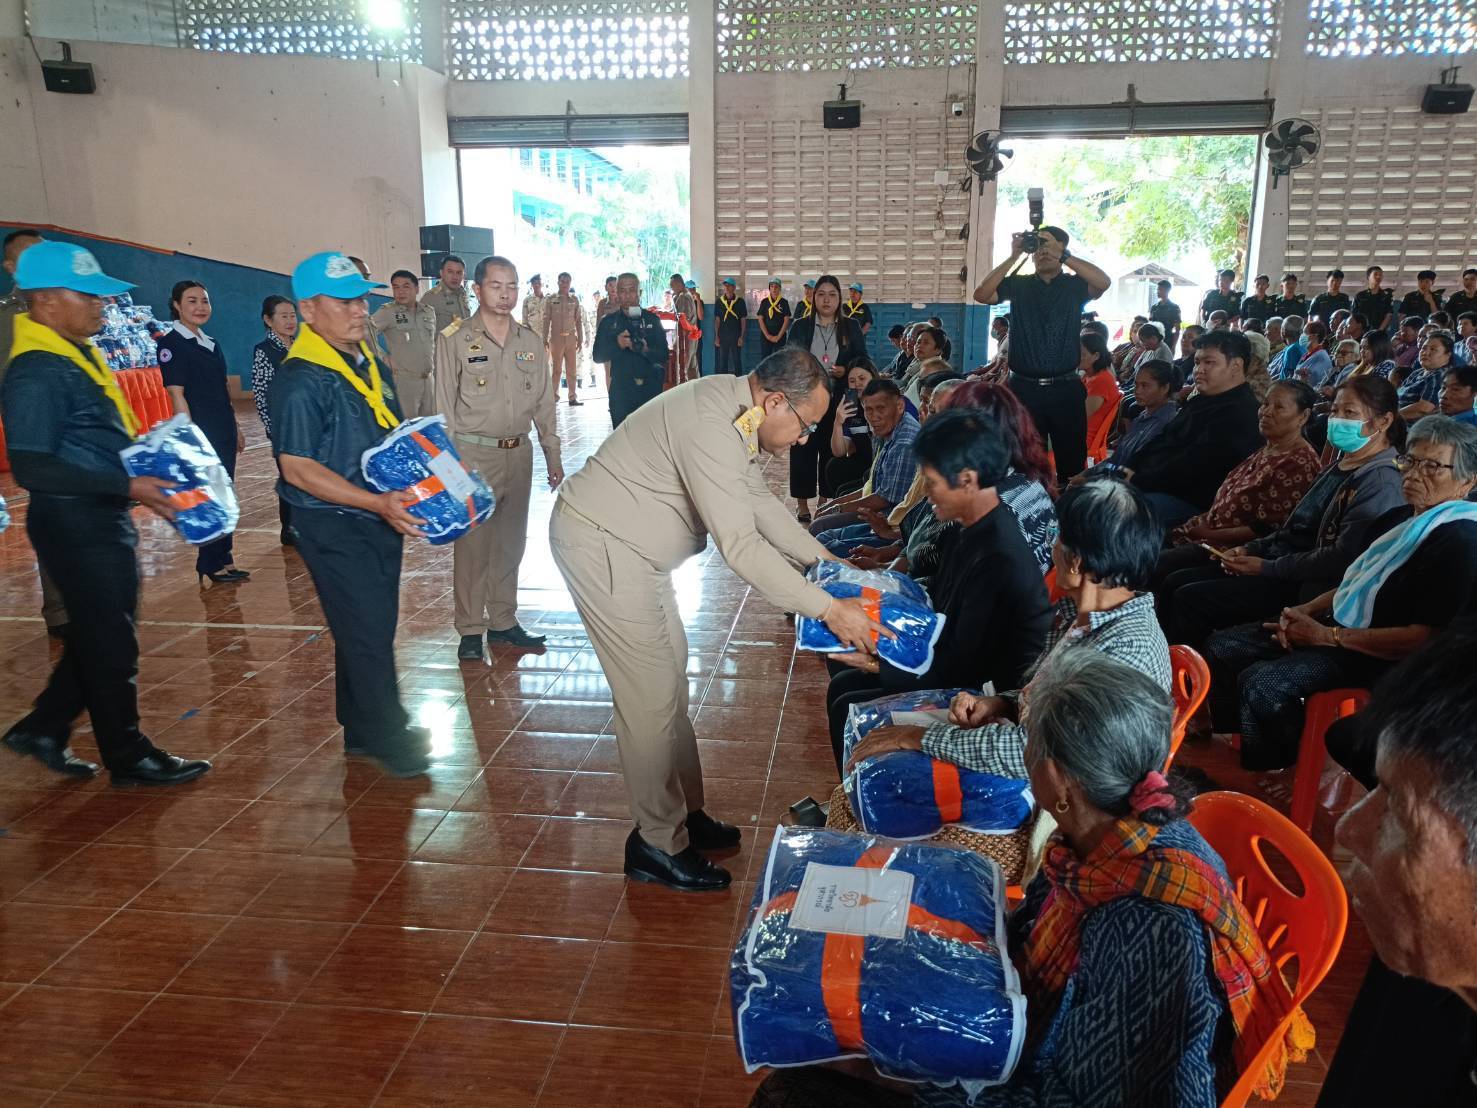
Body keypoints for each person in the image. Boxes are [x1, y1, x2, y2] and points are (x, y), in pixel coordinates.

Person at [551, 348, 887, 890]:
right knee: (649, 698)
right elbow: (741, 546)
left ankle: (685, 813)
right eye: (805, 425)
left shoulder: (736, 410)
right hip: (605, 546)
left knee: (670, 684)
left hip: (636, 553)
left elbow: (758, 502)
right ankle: (657, 843)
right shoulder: (711, 426)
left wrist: (826, 563)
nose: (804, 439)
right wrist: (828, 608)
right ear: (774, 402)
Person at [0, 242, 211, 785]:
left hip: (98, 515)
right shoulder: (36, 370)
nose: (102, 305)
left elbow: (90, 437)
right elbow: (31, 465)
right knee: (112, 641)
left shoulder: (72, 352)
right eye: (88, 295)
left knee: (100, 632)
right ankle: (128, 753)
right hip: (74, 523)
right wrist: (126, 483)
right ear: (47, 300)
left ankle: (44, 728)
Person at [848, 477, 1170, 783]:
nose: (1051, 545)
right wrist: (1002, 703)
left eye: (1058, 536)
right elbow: (1053, 701)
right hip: (1037, 760)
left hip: (1069, 796)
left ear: (1077, 560)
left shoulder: (1121, 652)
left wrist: (918, 737)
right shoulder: (1084, 617)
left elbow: (1035, 751)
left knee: (885, 768)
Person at [1205, 415, 1477, 770]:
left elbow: (1423, 639)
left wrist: (1326, 636)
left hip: (1383, 655)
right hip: (1340, 626)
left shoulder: (1460, 541)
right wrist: (1305, 611)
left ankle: (1285, 769)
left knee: (1263, 683)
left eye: (1432, 466)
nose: (1413, 474)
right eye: (1410, 461)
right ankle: (1245, 739)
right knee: (1223, 646)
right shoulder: (1399, 519)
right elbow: (1356, 582)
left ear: (1468, 480)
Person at [271, 251, 431, 778]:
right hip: (334, 521)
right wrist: (376, 503)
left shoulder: (367, 362)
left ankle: (360, 726)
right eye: (343, 302)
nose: (360, 310)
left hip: (377, 513)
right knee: (365, 627)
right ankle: (390, 734)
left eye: (361, 299)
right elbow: (297, 468)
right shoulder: (302, 379)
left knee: (366, 621)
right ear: (308, 310)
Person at [824, 409, 1052, 767]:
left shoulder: (999, 555)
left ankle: (864, 787)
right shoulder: (968, 528)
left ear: (967, 480)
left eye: (931, 482)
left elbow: (963, 665)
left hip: (986, 693)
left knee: (846, 700)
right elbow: (939, 609)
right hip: (957, 659)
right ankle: (853, 788)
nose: (926, 494)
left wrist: (878, 663)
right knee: (844, 679)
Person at [1156, 374, 1406, 649]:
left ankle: (1182, 667)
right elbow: (1293, 528)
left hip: (1306, 585)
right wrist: (1250, 549)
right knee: (1175, 581)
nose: (1337, 419)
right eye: (1335, 410)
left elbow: (1340, 559)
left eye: (1350, 413)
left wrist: (1266, 567)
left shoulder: (1379, 482)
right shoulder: (1341, 465)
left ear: (1383, 421)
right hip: (1279, 562)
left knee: (1189, 596)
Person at [436, 255, 563, 661]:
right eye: (496, 286)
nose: (505, 294)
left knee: (510, 544)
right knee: (473, 546)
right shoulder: (455, 339)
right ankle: (471, 628)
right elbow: (443, 407)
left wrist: (552, 452)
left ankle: (503, 621)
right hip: (473, 454)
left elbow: (544, 402)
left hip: (518, 453)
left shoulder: (529, 341)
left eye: (512, 286)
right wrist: (448, 469)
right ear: (477, 289)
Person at [973, 225, 1112, 483]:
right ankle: (1031, 505)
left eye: (1048, 244)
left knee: (1072, 464)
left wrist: (1065, 256)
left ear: (1062, 248)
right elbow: (982, 294)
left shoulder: (1074, 286)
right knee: (1025, 463)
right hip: (1024, 388)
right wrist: (1014, 256)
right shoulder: (1020, 285)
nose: (1043, 251)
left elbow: (1103, 282)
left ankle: (1069, 505)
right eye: (1038, 245)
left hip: (1065, 388)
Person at [1123, 329, 1263, 529]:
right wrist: (1130, 467)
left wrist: (1137, 480)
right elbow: (1163, 438)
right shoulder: (1201, 400)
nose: (1199, 370)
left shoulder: (1240, 412)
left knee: (1111, 512)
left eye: (1209, 362)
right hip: (1156, 484)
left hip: (1194, 502)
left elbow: (1192, 467)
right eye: (1197, 362)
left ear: (1236, 366)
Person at [157, 279, 247, 588]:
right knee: (208, 498)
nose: (200, 307)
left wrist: (235, 427)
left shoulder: (211, 343)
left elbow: (222, 390)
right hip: (201, 432)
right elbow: (177, 394)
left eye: (204, 301)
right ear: (177, 305)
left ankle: (225, 557)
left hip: (222, 428)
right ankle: (209, 562)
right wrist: (190, 438)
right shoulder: (171, 344)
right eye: (192, 301)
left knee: (225, 494)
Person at [0, 228, 67, 637]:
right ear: (10, 267)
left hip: (77, 436)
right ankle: (60, 611)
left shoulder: (69, 305)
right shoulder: (6, 319)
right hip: (38, 439)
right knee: (54, 518)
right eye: (28, 258)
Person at [1170, 380, 1322, 552]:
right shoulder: (1270, 448)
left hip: (1232, 551)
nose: (1266, 412)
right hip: (1207, 531)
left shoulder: (1299, 462)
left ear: (1303, 416)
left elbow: (1264, 530)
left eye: (1279, 407)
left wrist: (1207, 534)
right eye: (1265, 404)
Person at [787, 274, 867, 522]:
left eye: (832, 295)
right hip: (806, 401)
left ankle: (825, 501)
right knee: (803, 450)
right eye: (821, 294)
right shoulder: (801, 326)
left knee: (831, 449)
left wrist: (845, 369)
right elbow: (789, 358)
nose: (826, 300)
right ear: (813, 298)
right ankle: (802, 504)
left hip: (838, 400)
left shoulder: (851, 326)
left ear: (839, 299)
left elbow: (862, 359)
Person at [807, 378, 919, 534]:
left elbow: (884, 499)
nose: (874, 416)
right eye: (868, 410)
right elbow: (875, 487)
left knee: (820, 527)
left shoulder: (904, 443)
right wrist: (833, 505)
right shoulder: (884, 430)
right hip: (879, 512)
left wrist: (837, 508)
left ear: (899, 406)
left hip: (892, 524)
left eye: (881, 408)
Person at [251, 294, 299, 546]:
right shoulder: (265, 351)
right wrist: (273, 429)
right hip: (283, 427)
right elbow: (261, 394)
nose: (290, 321)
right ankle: (289, 529)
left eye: (293, 315)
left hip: (306, 424)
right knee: (290, 477)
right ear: (268, 320)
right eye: (283, 316)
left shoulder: (302, 347)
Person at [594, 271, 667, 428]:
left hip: (650, 388)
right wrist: (618, 344)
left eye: (632, 290)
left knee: (650, 436)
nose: (627, 295)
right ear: (617, 293)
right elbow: (598, 356)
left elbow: (664, 355)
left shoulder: (652, 320)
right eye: (622, 290)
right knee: (622, 436)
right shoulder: (609, 323)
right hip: (621, 390)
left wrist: (646, 350)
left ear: (640, 292)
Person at [824, 358, 879, 495]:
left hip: (883, 462)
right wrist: (838, 422)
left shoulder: (888, 402)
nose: (857, 384)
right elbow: (839, 452)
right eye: (852, 381)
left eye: (862, 379)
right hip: (863, 463)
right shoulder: (852, 408)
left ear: (873, 378)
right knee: (834, 466)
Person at [543, 271, 585, 405]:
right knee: (556, 370)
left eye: (567, 282)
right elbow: (546, 320)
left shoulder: (574, 300)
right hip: (556, 339)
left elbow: (578, 321)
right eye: (562, 281)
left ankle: (572, 397)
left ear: (570, 283)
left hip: (571, 339)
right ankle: (553, 397)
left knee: (572, 370)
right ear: (558, 282)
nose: (565, 284)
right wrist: (544, 339)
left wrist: (581, 338)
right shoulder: (551, 299)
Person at [1397, 330, 1455, 420]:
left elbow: (1424, 409)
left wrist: (1391, 416)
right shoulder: (1417, 373)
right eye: (1423, 348)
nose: (1425, 353)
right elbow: (1398, 394)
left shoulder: (1441, 375)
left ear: (1448, 355)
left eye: (1433, 349)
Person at [1081, 332, 1121, 450]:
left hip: (1082, 438)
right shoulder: (1089, 375)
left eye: (1082, 354)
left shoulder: (1101, 380)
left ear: (1096, 356)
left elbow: (1080, 416)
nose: (1076, 356)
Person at [420, 253, 473, 331]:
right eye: (450, 272)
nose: (455, 277)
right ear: (441, 273)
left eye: (459, 273)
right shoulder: (431, 297)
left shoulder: (463, 295)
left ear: (463, 276)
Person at [712, 276, 747, 376]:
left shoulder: (740, 302)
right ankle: (724, 382)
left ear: (734, 288)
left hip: (736, 335)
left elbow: (743, 320)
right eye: (725, 285)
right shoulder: (719, 302)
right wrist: (716, 336)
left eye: (729, 286)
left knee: (737, 360)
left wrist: (741, 336)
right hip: (723, 336)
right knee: (723, 361)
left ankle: (738, 381)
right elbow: (717, 320)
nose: (726, 288)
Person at [756, 277, 792, 359]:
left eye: (776, 286)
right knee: (765, 359)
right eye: (772, 286)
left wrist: (778, 336)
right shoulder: (764, 302)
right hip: (766, 336)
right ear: (769, 288)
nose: (774, 289)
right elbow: (760, 319)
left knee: (779, 359)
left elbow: (786, 320)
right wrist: (768, 336)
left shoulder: (784, 302)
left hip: (780, 336)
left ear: (780, 288)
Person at [1352, 265, 1395, 333]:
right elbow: (1354, 315)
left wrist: (1379, 331)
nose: (1378, 277)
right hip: (1362, 332)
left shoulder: (1386, 296)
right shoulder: (1360, 296)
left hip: (1379, 332)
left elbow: (1388, 315)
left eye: (1380, 275)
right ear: (1368, 277)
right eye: (1375, 274)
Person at [1292, 319, 1333, 387]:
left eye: (1304, 333)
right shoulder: (1307, 354)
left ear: (1314, 336)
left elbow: (1314, 381)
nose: (1301, 335)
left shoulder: (1321, 358)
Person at [1148, 278, 1182, 349]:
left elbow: (1177, 330)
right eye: (1157, 289)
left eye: (1160, 289)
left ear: (1167, 291)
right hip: (1153, 341)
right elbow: (1149, 324)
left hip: (1167, 341)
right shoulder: (1154, 307)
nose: (1157, 292)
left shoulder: (1174, 308)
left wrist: (1173, 347)